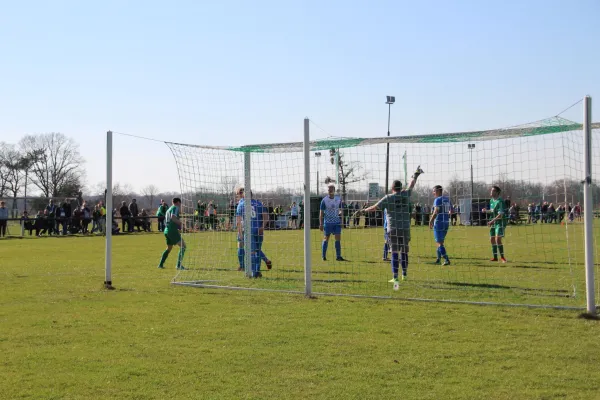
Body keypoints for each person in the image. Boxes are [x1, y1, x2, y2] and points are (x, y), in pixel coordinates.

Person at [360, 166, 423, 283]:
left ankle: (395, 277)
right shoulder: (406, 194)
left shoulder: (388, 198)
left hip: (393, 229)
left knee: (394, 252)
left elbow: (374, 208)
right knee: (404, 252)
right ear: (401, 188)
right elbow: (412, 184)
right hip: (405, 228)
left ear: (392, 188)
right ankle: (404, 274)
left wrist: (364, 210)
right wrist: (416, 174)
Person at [235, 188, 270, 277]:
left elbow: (238, 221)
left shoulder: (241, 204)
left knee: (251, 252)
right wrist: (263, 227)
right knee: (258, 250)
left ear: (243, 195)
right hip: (258, 230)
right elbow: (266, 217)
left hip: (248, 230)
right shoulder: (259, 203)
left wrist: (240, 233)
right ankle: (257, 271)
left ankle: (252, 272)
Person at [158, 197, 186, 270]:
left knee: (169, 248)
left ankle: (160, 264)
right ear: (178, 202)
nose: (180, 205)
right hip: (172, 230)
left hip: (166, 230)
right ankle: (178, 265)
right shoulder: (175, 207)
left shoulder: (169, 209)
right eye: (180, 204)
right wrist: (181, 224)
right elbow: (173, 218)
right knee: (183, 246)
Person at [482, 185, 507, 263]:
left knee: (497, 239)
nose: (491, 192)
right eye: (491, 190)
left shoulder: (500, 201)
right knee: (492, 239)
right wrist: (486, 211)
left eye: (493, 191)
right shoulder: (491, 200)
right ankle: (495, 257)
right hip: (493, 222)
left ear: (497, 192)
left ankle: (503, 258)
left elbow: (501, 214)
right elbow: (493, 211)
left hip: (500, 222)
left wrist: (492, 221)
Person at [319, 184, 345, 261]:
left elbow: (341, 210)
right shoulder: (324, 200)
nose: (329, 191)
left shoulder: (338, 199)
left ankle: (338, 256)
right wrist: (321, 224)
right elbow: (321, 213)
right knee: (326, 238)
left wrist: (342, 221)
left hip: (337, 222)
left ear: (334, 190)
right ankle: (323, 256)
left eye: (331, 190)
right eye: (328, 190)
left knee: (338, 239)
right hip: (327, 223)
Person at [429, 185, 452, 266]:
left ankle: (446, 259)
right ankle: (438, 259)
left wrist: (431, 221)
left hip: (439, 223)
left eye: (434, 191)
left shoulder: (438, 199)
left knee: (439, 243)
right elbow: (451, 211)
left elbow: (436, 211)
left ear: (438, 191)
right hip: (446, 223)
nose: (433, 193)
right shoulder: (447, 199)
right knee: (440, 242)